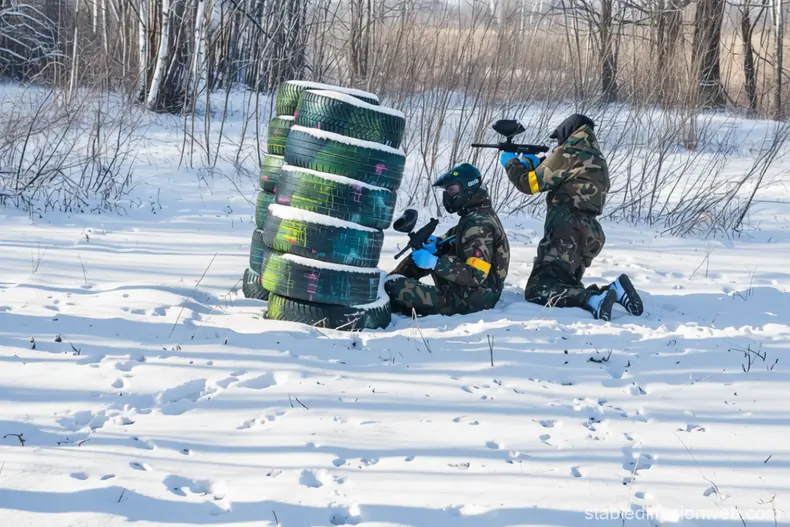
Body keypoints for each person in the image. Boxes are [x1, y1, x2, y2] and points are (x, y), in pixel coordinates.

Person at [499, 113, 643, 321]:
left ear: (568, 133)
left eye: (559, 140)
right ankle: (615, 290)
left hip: (565, 229)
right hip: (589, 231)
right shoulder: (596, 157)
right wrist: (534, 165)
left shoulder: (568, 153)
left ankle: (594, 300)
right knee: (565, 285)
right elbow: (566, 180)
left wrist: (511, 162)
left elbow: (528, 184)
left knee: (539, 290)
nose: (557, 144)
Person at [385, 163, 510, 317]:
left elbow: (476, 275)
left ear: (468, 188)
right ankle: (394, 279)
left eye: (452, 190)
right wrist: (436, 244)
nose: (448, 195)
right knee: (420, 256)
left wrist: (435, 262)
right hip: (468, 290)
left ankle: (389, 289)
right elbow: (453, 239)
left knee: (395, 288)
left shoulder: (479, 225)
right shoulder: (474, 216)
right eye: (447, 191)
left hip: (474, 299)